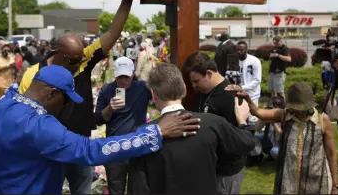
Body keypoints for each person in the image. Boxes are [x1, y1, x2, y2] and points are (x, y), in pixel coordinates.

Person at [0, 65, 200, 194]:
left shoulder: (3, 105)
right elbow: (89, 151)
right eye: (66, 100)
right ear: (51, 93)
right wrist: (155, 133)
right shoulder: (38, 125)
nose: (66, 107)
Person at [19, 0, 135, 194]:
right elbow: (25, 116)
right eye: (73, 61)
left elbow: (112, 33)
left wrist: (127, 1)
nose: (77, 64)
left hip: (80, 145)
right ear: (57, 53)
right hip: (51, 149)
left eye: (80, 59)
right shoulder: (33, 74)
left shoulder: (82, 60)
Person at [127, 63, 256, 194]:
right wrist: (242, 121)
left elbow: (138, 186)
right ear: (184, 89)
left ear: (153, 94)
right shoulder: (212, 123)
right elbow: (246, 143)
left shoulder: (144, 135)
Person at [226, 82, 338, 194]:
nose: (300, 111)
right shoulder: (284, 115)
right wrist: (247, 97)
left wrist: (336, 184)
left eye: (304, 108)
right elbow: (258, 112)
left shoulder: (322, 120)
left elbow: (331, 153)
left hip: (316, 177)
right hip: (290, 179)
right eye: (297, 108)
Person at [181, 52, 248, 194]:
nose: (193, 86)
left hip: (225, 171)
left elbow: (239, 141)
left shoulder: (231, 97)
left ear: (209, 74)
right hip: (207, 167)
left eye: (196, 81)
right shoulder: (203, 92)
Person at [94, 57, 152, 194]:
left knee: (139, 188)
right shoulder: (107, 90)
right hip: (115, 148)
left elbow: (163, 93)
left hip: (137, 146)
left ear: (133, 74)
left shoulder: (143, 88)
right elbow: (97, 119)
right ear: (115, 75)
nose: (123, 81)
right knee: (116, 189)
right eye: (120, 77)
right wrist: (110, 108)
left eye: (126, 77)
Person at [268, 36, 291, 100]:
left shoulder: (285, 48)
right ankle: (274, 105)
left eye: (276, 43)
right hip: (272, 72)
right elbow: (270, 57)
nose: (275, 44)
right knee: (272, 90)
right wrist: (270, 56)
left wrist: (278, 55)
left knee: (280, 92)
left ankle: (283, 106)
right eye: (274, 43)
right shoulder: (273, 48)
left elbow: (289, 59)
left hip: (279, 73)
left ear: (281, 41)